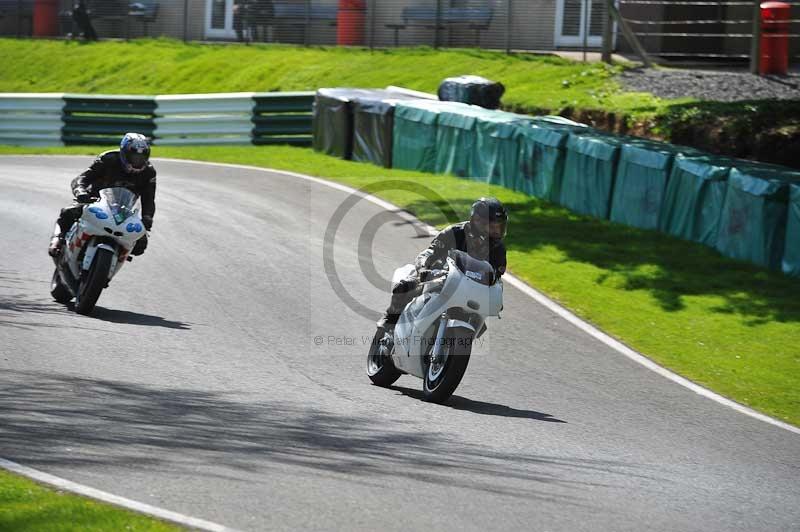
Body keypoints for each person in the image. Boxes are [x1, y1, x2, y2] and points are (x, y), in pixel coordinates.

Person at [376, 197, 508, 334]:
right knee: (405, 285)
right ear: (477, 222)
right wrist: (423, 268)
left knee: (480, 325)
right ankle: (389, 319)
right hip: (439, 277)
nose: (497, 232)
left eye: (500, 227)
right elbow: (430, 252)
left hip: (469, 287)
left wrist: (496, 298)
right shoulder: (454, 232)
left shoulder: (498, 249)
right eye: (492, 227)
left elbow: (496, 277)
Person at [48, 133, 156, 258]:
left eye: (141, 157)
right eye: (134, 156)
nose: (137, 161)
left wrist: (147, 219)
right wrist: (81, 192)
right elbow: (82, 178)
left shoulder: (149, 172)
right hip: (93, 202)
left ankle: (117, 256)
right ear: (124, 153)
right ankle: (57, 240)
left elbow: (149, 199)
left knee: (140, 245)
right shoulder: (108, 159)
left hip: (123, 212)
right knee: (68, 212)